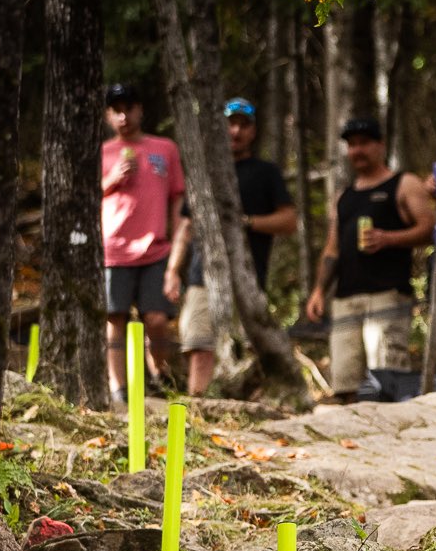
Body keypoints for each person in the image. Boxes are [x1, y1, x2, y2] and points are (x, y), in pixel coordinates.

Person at [165, 98, 296, 394]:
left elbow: (289, 221)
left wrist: (246, 222)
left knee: (245, 351)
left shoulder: (266, 172)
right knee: (198, 344)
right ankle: (197, 408)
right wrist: (173, 270)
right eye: (230, 123)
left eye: (243, 124)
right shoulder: (204, 174)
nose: (235, 131)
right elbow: (186, 225)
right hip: (202, 275)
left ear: (253, 130)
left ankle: (241, 411)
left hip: (247, 279)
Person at [304, 117, 434, 402]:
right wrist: (317, 291)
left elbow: (430, 228)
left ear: (380, 146)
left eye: (364, 143)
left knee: (387, 379)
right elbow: (331, 249)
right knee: (345, 382)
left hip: (387, 294)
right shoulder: (344, 197)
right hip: (345, 298)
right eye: (351, 145)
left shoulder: (403, 183)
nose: (357, 150)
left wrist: (390, 238)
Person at [100, 82, 184, 408]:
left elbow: (178, 197)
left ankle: (160, 377)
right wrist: (113, 179)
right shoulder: (102, 153)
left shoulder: (165, 149)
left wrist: (176, 239)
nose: (123, 115)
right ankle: (118, 389)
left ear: (140, 110)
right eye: (116, 110)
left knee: (158, 319)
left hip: (157, 249)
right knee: (114, 320)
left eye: (128, 108)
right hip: (113, 250)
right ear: (108, 115)